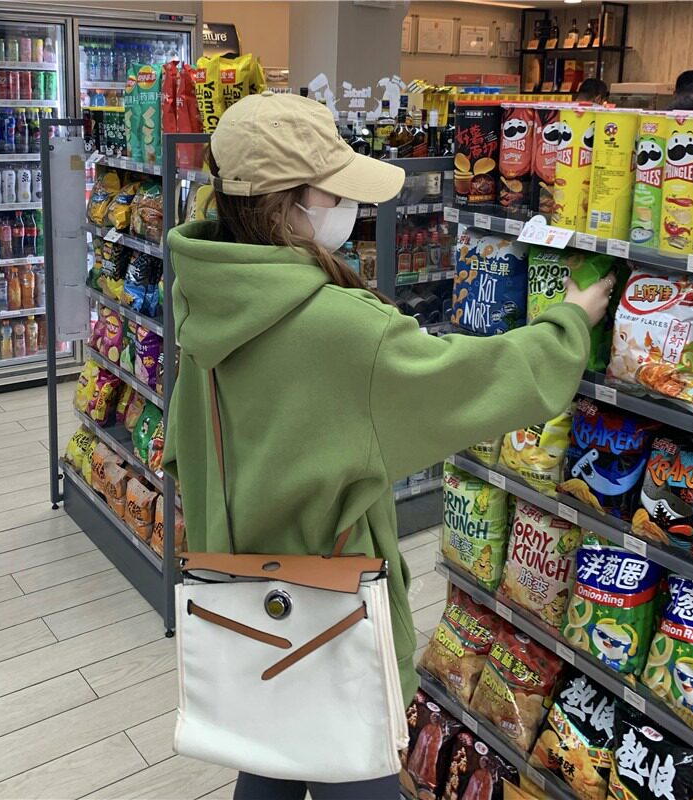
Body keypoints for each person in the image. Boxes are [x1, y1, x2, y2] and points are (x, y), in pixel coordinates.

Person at [163, 91, 614, 800]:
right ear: (284, 203)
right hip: (330, 608)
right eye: (333, 190)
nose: (350, 205)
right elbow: (474, 381)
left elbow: (181, 445)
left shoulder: (205, 291)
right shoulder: (341, 328)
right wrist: (568, 324)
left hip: (238, 591)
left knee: (267, 751)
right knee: (357, 768)